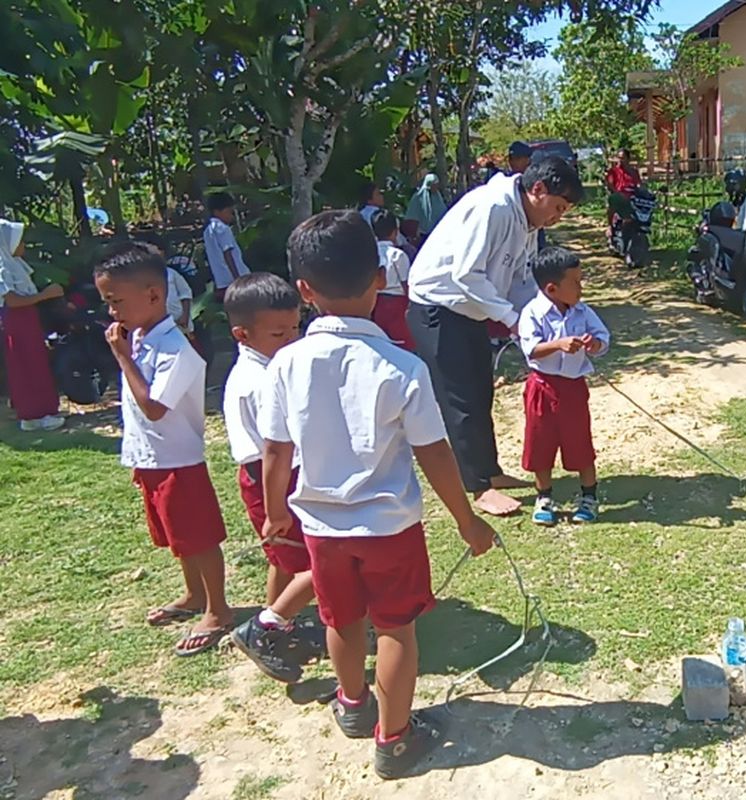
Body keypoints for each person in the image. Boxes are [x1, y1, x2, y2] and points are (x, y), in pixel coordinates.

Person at [258, 209, 495, 780]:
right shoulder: (402, 366)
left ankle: (353, 704)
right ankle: (395, 738)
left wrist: (274, 513)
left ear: (304, 290)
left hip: (322, 528)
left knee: (341, 622)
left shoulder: (285, 364)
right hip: (389, 528)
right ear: (381, 279)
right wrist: (466, 520)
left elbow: (275, 452)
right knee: (395, 629)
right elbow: (435, 453)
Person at [406, 156, 585, 517]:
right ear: (538, 189)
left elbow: (522, 281)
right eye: (558, 207)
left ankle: (489, 472)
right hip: (438, 308)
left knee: (481, 392)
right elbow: (466, 275)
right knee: (461, 400)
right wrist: (511, 319)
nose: (557, 217)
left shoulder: (527, 223)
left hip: (470, 310)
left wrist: (540, 320)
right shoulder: (494, 207)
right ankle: (478, 487)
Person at [94, 241, 233, 655]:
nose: (112, 312)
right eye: (108, 302)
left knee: (198, 536)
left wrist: (122, 357)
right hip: (152, 456)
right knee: (176, 535)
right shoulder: (140, 338)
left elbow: (155, 407)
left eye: (117, 301)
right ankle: (193, 594)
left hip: (178, 459)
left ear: (154, 295)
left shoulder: (176, 348)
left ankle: (218, 608)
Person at [221, 273, 317, 684]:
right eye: (279, 333)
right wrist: (277, 507)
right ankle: (265, 627)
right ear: (242, 334)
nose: (292, 338)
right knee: (322, 562)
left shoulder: (272, 367)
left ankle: (280, 625)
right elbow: (276, 450)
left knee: (283, 558)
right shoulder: (259, 381)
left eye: (295, 327)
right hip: (274, 480)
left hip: (273, 478)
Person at [518, 247, 609, 526]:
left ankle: (589, 497)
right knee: (540, 442)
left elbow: (603, 338)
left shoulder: (583, 311)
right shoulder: (532, 313)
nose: (581, 288)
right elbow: (531, 349)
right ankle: (544, 497)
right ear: (552, 288)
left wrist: (594, 344)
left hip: (573, 388)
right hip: (542, 387)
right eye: (576, 283)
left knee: (579, 440)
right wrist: (558, 344)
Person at [0, 220, 65, 431]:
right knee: (27, 364)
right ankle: (38, 413)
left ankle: (35, 414)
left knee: (34, 362)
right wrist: (45, 295)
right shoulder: (2, 268)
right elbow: (12, 300)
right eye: (19, 241)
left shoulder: (15, 264)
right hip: (16, 320)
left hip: (26, 318)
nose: (23, 246)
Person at [371, 210, 413, 350]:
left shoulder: (370, 253)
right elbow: (406, 284)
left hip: (376, 303)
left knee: (382, 342)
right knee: (402, 344)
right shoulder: (398, 255)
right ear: (395, 232)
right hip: (397, 304)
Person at [202, 192, 251, 302]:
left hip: (221, 281)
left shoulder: (208, 230)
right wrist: (237, 279)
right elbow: (227, 253)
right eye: (229, 212)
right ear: (217, 212)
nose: (231, 216)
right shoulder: (222, 228)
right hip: (235, 277)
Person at [403, 174, 447, 239]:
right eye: (434, 184)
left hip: (438, 233)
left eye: (437, 184)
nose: (436, 187)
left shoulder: (438, 198)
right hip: (421, 235)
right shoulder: (418, 197)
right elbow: (412, 216)